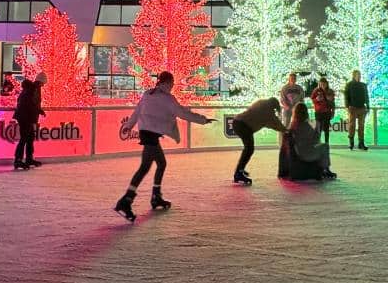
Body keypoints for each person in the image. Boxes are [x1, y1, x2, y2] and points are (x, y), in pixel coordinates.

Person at [114, 71, 215, 222]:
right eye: (172, 83)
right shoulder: (167, 99)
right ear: (167, 83)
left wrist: (128, 126)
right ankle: (126, 201)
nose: (173, 86)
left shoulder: (148, 94)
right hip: (151, 135)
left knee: (161, 163)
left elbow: (137, 112)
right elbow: (183, 113)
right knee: (145, 168)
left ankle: (155, 196)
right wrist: (203, 120)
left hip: (146, 133)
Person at [230, 97, 286, 185]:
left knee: (248, 148)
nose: (274, 111)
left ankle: (240, 169)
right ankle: (238, 173)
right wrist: (286, 130)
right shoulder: (268, 113)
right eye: (274, 109)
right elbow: (276, 124)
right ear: (273, 106)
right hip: (244, 126)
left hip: (237, 121)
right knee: (249, 149)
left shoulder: (260, 103)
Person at [289, 103, 336, 179]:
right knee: (325, 146)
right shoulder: (307, 126)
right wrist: (317, 130)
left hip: (298, 153)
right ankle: (326, 169)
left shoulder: (292, 125)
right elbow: (315, 141)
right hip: (308, 154)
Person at [13, 73, 47, 170]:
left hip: (27, 117)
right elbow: (29, 103)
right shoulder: (32, 89)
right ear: (40, 82)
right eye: (43, 83)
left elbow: (33, 103)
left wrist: (39, 110)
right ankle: (18, 160)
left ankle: (29, 158)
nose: (43, 85)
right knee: (24, 138)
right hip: (25, 117)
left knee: (30, 137)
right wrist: (37, 110)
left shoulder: (33, 89)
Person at [344, 70, 369, 150]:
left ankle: (361, 143)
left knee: (361, 126)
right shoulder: (349, 85)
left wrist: (368, 106)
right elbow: (346, 95)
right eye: (357, 75)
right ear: (354, 75)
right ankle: (351, 142)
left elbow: (366, 96)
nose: (359, 76)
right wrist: (347, 106)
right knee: (352, 125)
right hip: (353, 107)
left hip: (362, 107)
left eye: (360, 75)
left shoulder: (363, 85)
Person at [310, 77, 336, 145]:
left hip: (327, 112)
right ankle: (317, 142)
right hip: (318, 112)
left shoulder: (330, 91)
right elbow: (312, 99)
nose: (323, 85)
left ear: (327, 84)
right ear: (319, 84)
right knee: (318, 128)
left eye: (324, 84)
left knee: (326, 129)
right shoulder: (316, 90)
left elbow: (333, 102)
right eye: (321, 84)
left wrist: (333, 112)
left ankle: (326, 143)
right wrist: (316, 99)